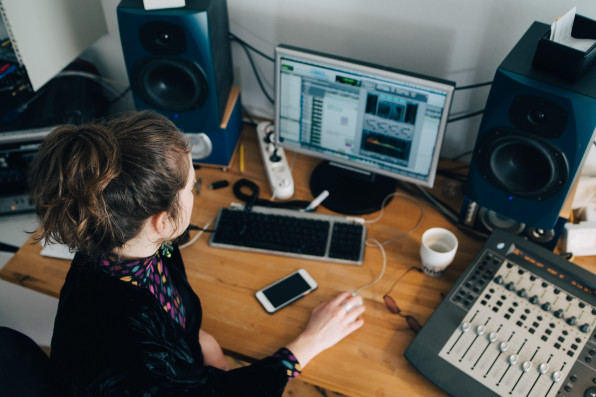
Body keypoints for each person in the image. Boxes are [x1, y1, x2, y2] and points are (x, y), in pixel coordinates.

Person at [28, 110, 365, 396]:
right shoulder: (133, 357)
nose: (195, 190)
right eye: (191, 185)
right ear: (162, 222)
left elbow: (169, 312)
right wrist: (308, 343)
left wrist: (195, 339)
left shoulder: (114, 238)